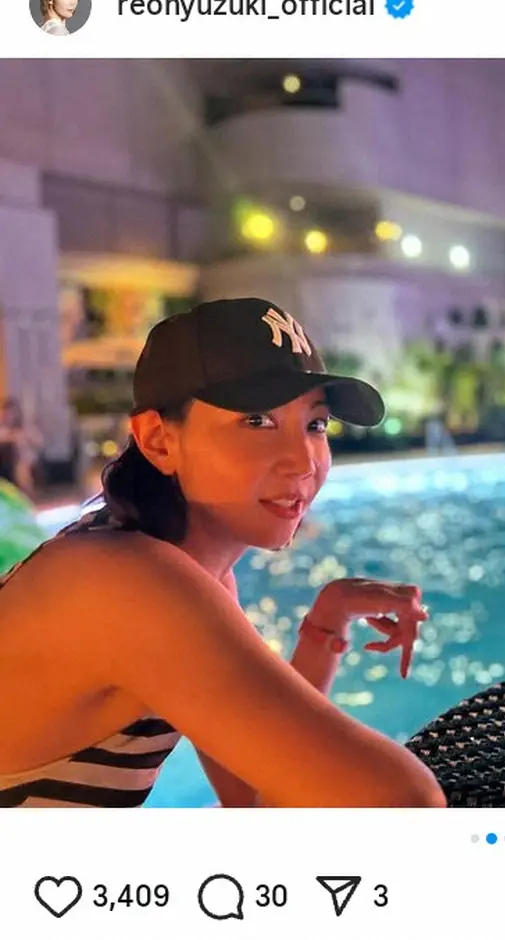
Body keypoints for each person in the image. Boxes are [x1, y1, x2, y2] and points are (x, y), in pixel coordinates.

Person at [0, 297, 446, 808]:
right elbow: (402, 803)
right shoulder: (123, 583)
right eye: (256, 421)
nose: (304, 461)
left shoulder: (184, 565)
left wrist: (326, 623)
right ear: (158, 440)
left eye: (316, 424)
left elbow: (252, 795)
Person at [0, 398, 43, 499]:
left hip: (25, 462)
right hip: (6, 463)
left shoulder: (24, 427)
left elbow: (39, 441)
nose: (10, 416)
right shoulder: (3, 428)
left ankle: (28, 495)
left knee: (23, 465)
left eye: (12, 413)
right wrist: (14, 436)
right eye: (7, 413)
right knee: (21, 466)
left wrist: (26, 436)